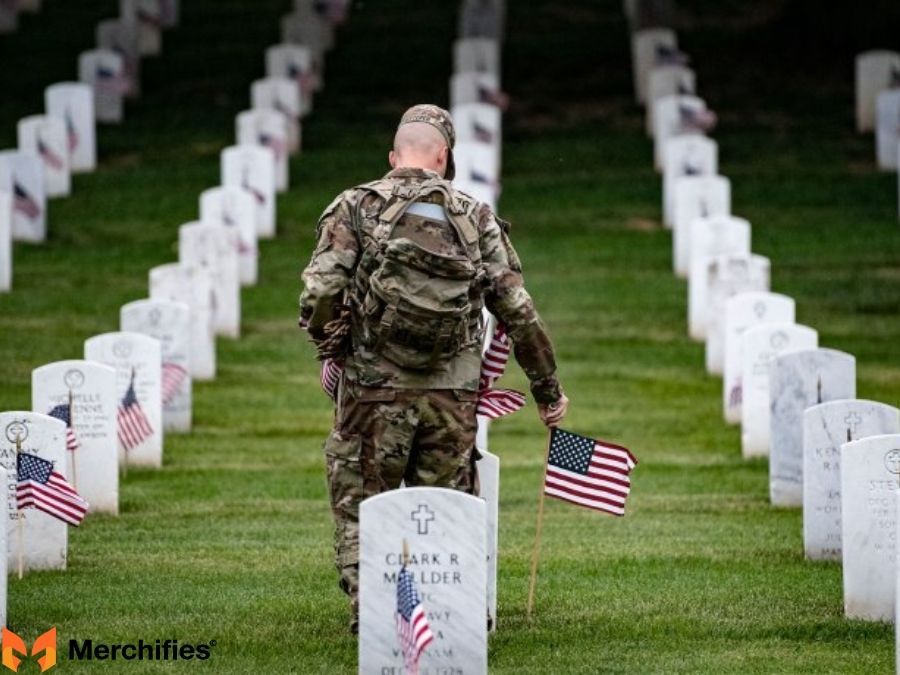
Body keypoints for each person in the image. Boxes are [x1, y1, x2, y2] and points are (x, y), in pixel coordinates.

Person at [298, 104, 569, 633]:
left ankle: (371, 616)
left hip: (373, 389)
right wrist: (546, 388)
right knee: (443, 511)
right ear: (444, 158)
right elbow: (518, 310)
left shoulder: (356, 206)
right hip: (451, 393)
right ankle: (442, 618)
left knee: (363, 504)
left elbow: (321, 290)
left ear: (394, 156)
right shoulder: (474, 216)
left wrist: (330, 346)